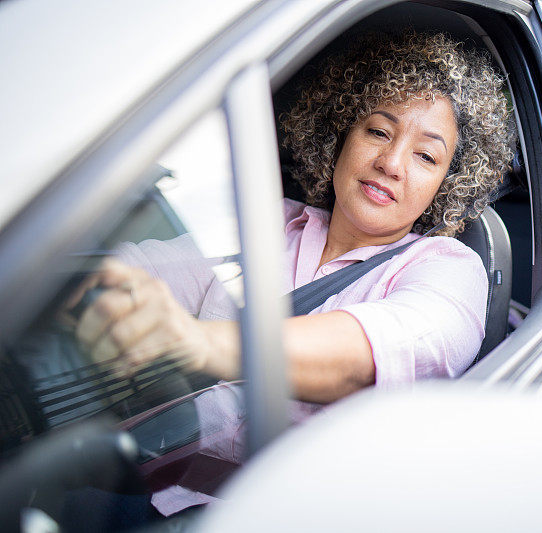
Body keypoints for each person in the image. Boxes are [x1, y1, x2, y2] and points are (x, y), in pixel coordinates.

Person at [71, 30, 515, 420]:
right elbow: (140, 269)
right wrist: (70, 283)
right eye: (379, 131)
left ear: (449, 182)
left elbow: (370, 356)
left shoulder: (450, 270)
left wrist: (201, 342)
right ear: (342, 133)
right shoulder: (262, 219)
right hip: (148, 478)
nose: (391, 163)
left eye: (426, 156)